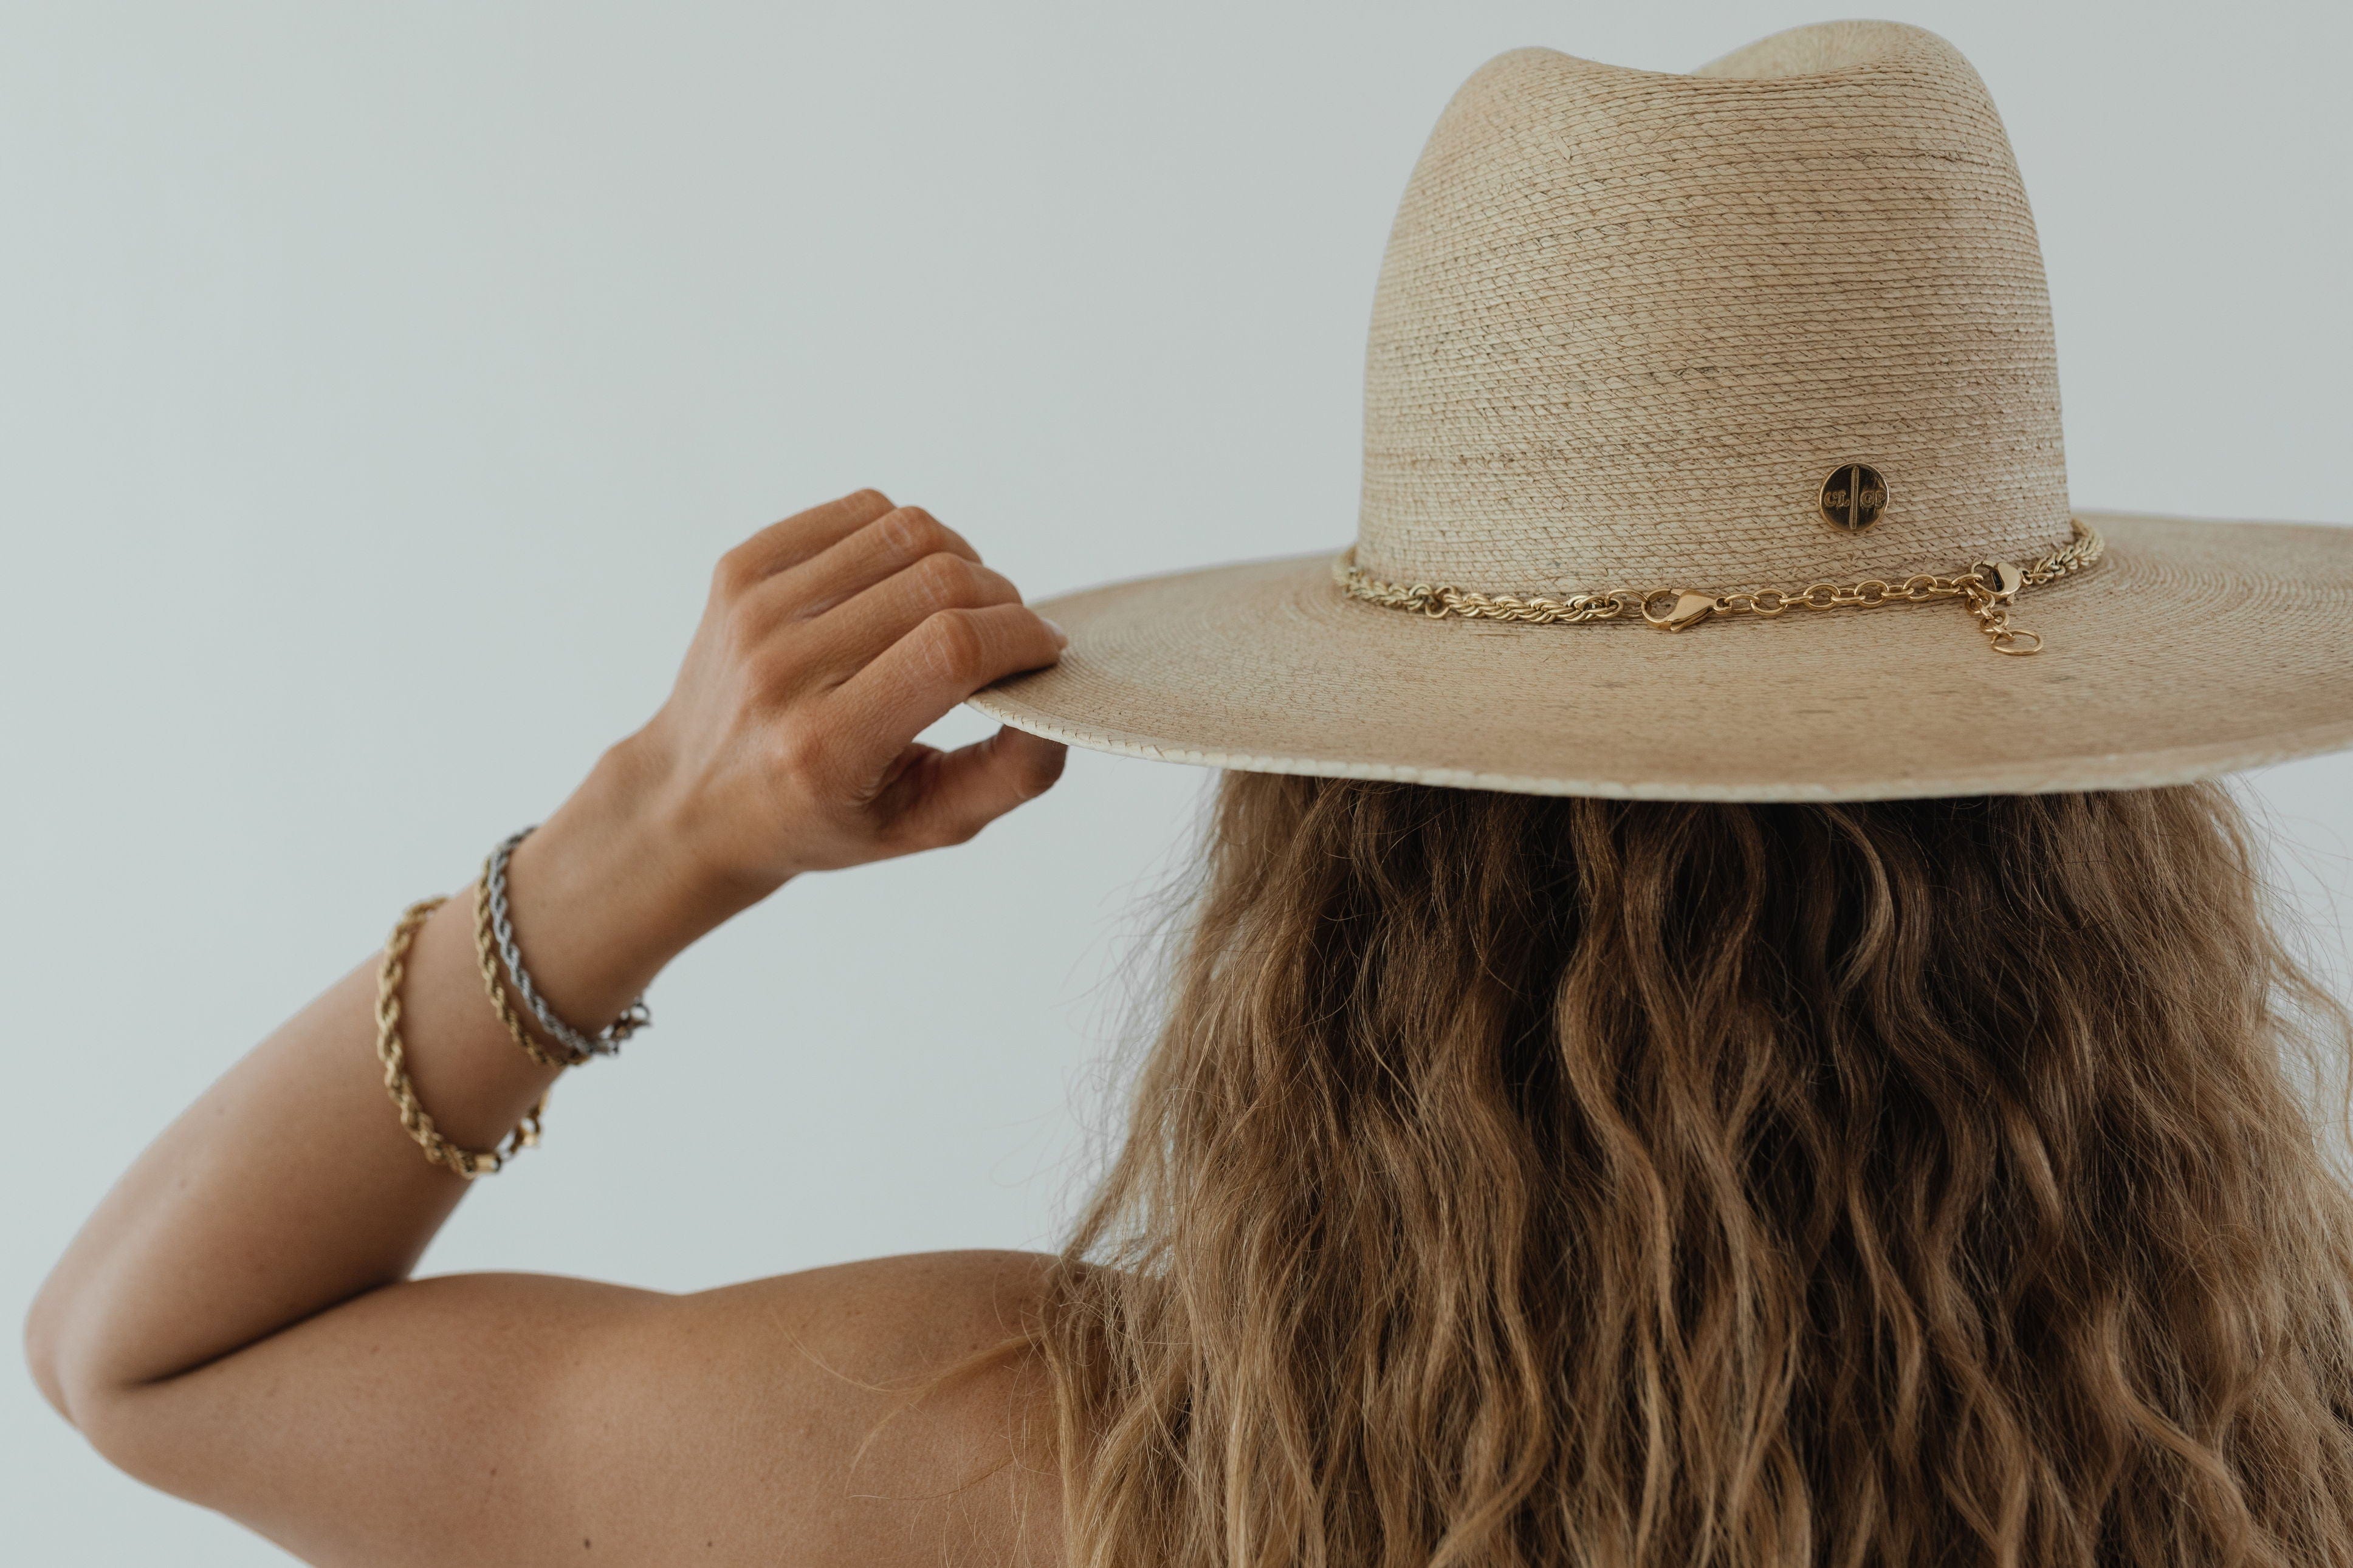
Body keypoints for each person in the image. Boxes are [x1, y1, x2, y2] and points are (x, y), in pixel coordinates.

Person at [29, 19, 2353, 1568]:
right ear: (2097, 829)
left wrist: (654, 833)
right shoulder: (2292, 1444)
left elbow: (154, 1356)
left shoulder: (1081, 1473)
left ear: (1356, 852)